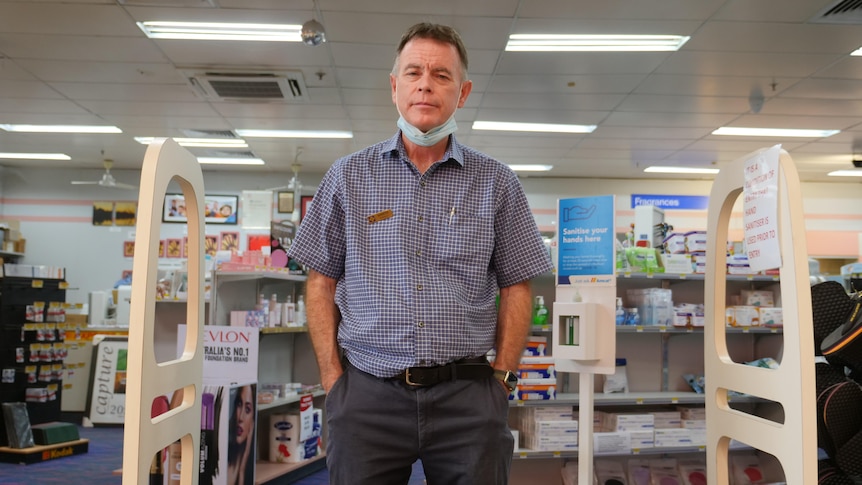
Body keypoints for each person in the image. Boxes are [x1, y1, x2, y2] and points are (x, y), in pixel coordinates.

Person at [287, 22, 553, 485]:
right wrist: (334, 382)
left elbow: (517, 284)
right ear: (395, 87)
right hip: (368, 395)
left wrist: (502, 381)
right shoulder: (348, 177)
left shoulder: (497, 183)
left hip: (468, 400)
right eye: (413, 72)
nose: (426, 83)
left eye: (441, 75)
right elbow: (320, 281)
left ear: (463, 92)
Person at [226, 384, 255, 485]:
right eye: (239, 404)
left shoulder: (244, 468)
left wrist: (242, 468)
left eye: (247, 410)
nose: (241, 417)